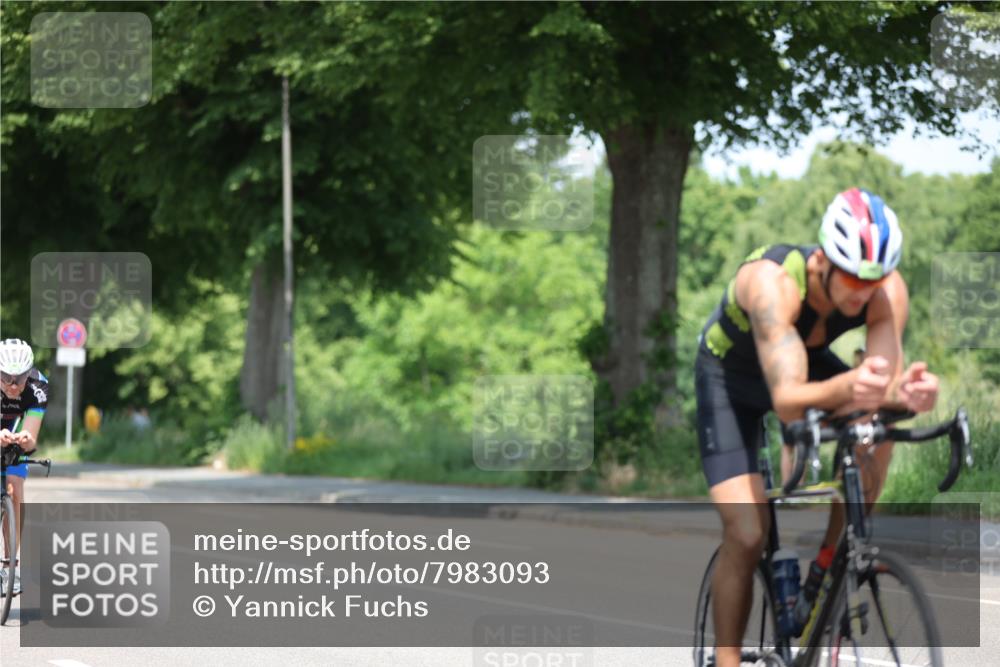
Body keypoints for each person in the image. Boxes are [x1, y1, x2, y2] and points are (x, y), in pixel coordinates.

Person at [694, 188, 940, 666]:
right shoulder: (774, 283)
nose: (862, 290)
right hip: (731, 379)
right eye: (851, 276)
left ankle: (830, 565)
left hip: (804, 368)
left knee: (876, 425)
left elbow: (879, 387)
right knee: (747, 533)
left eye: (875, 278)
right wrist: (854, 385)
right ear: (825, 258)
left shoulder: (885, 291)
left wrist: (904, 397)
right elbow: (788, 401)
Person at [0, 338, 49, 596]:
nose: (12, 385)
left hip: (13, 439)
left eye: (19, 379)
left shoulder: (38, 387)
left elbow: (31, 437)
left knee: (15, 488)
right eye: (5, 377)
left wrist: (24, 439)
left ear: (28, 374)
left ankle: (10, 567)